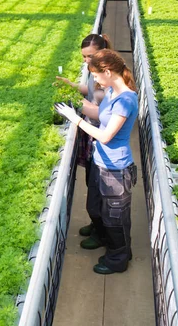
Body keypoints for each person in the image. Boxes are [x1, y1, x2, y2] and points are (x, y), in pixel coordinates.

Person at [55, 49, 138, 274]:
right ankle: (117, 248)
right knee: (102, 210)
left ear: (108, 72)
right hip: (101, 161)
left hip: (116, 169)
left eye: (96, 75)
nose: (95, 80)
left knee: (115, 217)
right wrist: (71, 100)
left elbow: (105, 135)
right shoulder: (111, 91)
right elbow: (97, 113)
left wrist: (75, 120)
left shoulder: (125, 100)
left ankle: (118, 259)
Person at [56, 34, 111, 248]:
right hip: (90, 133)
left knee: (99, 189)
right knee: (92, 182)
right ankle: (96, 224)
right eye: (84, 57)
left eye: (90, 56)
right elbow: (90, 91)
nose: (86, 61)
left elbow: (101, 114)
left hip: (99, 136)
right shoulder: (95, 72)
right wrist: (71, 85)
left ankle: (102, 232)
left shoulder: (109, 80)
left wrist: (75, 108)